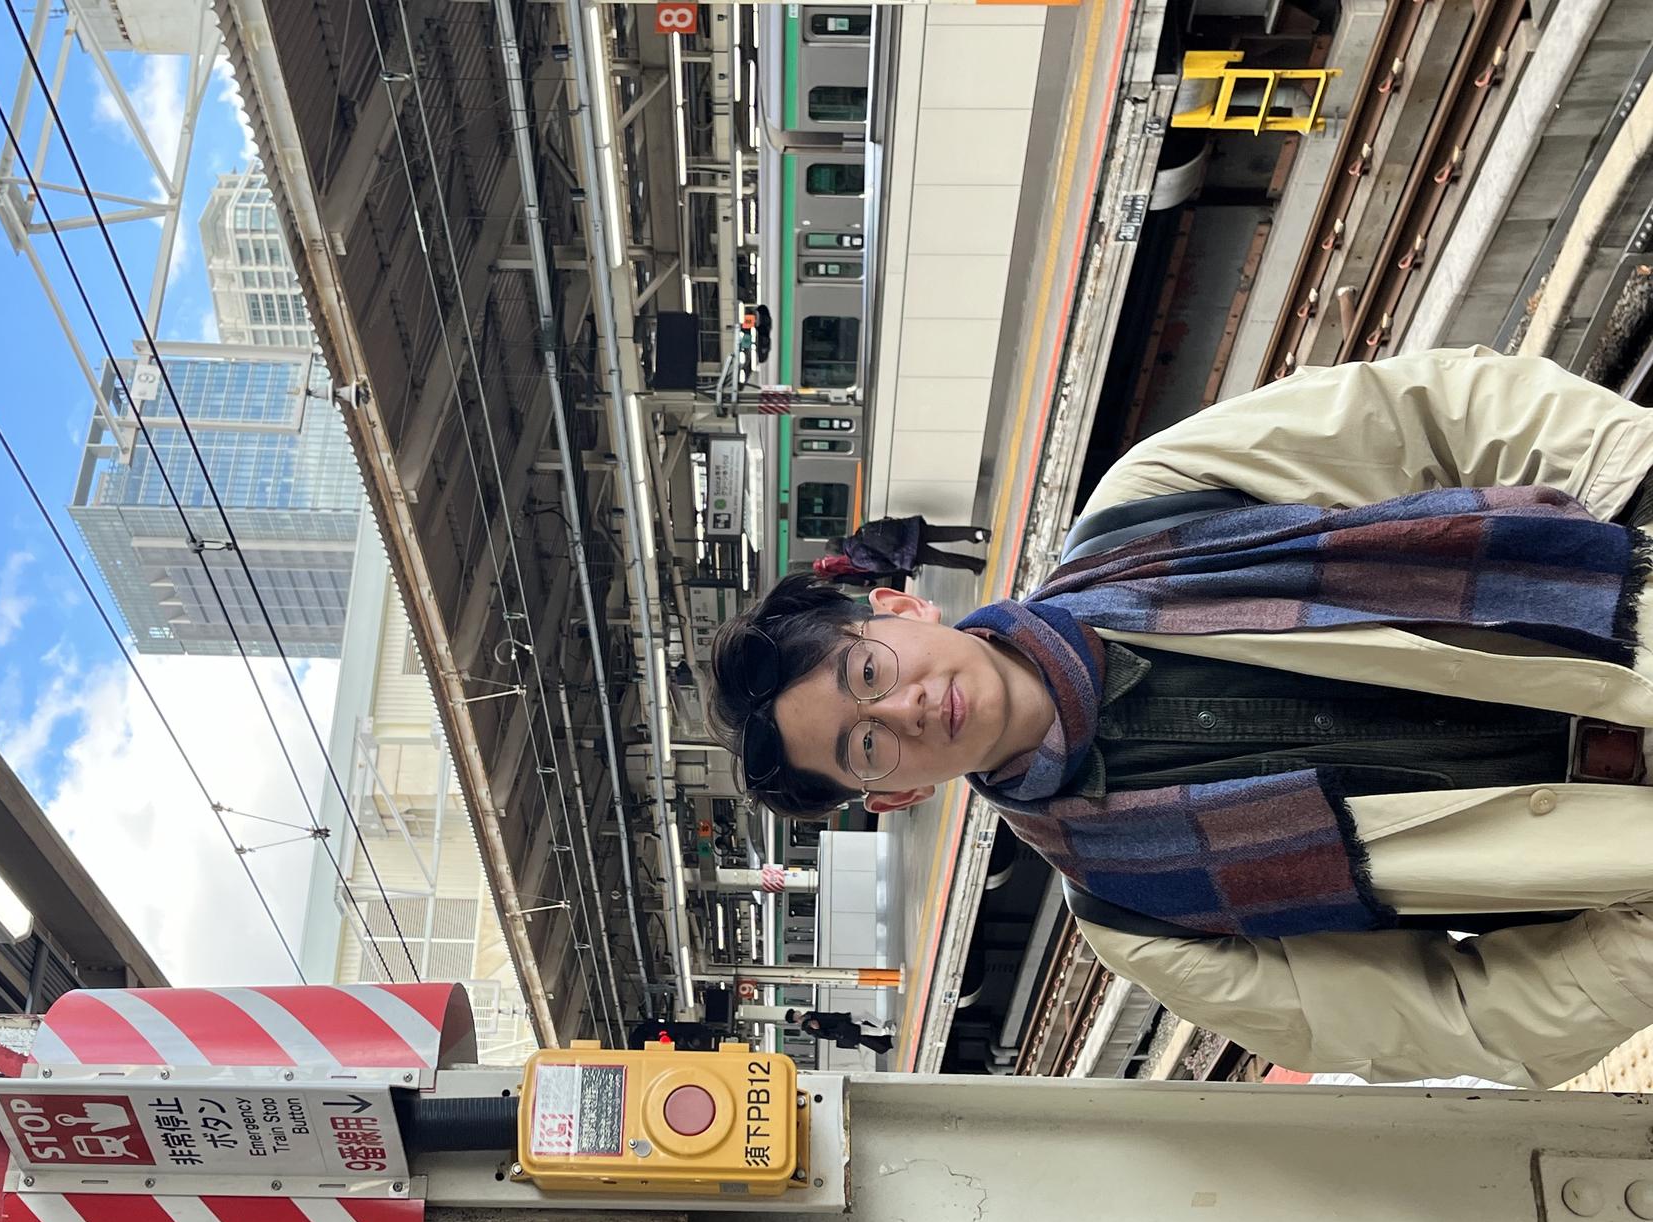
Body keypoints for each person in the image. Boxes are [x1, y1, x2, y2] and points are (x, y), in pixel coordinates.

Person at [708, 348, 1653, 1089]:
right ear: (897, 792)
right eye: (865, 744)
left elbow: (1433, 408)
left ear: (903, 610)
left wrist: (1633, 485)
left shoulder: (1146, 510)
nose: (907, 707)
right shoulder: (1134, 913)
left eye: (869, 670)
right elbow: (1455, 1018)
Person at [830, 516, 991, 578]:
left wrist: (895, 565)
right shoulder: (862, 530)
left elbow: (878, 565)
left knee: (943, 559)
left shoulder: (856, 558)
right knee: (944, 533)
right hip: (912, 531)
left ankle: (976, 564)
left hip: (907, 553)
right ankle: (978, 534)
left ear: (839, 554)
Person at [787, 1007, 892, 1055]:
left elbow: (827, 1016)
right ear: (795, 1019)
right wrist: (818, 1029)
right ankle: (886, 1032)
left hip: (841, 1019)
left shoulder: (808, 1014)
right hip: (841, 1030)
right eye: (795, 1014)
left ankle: (882, 1025)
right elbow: (825, 1035)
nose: (797, 1012)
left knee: (862, 1014)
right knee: (864, 1030)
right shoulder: (808, 1028)